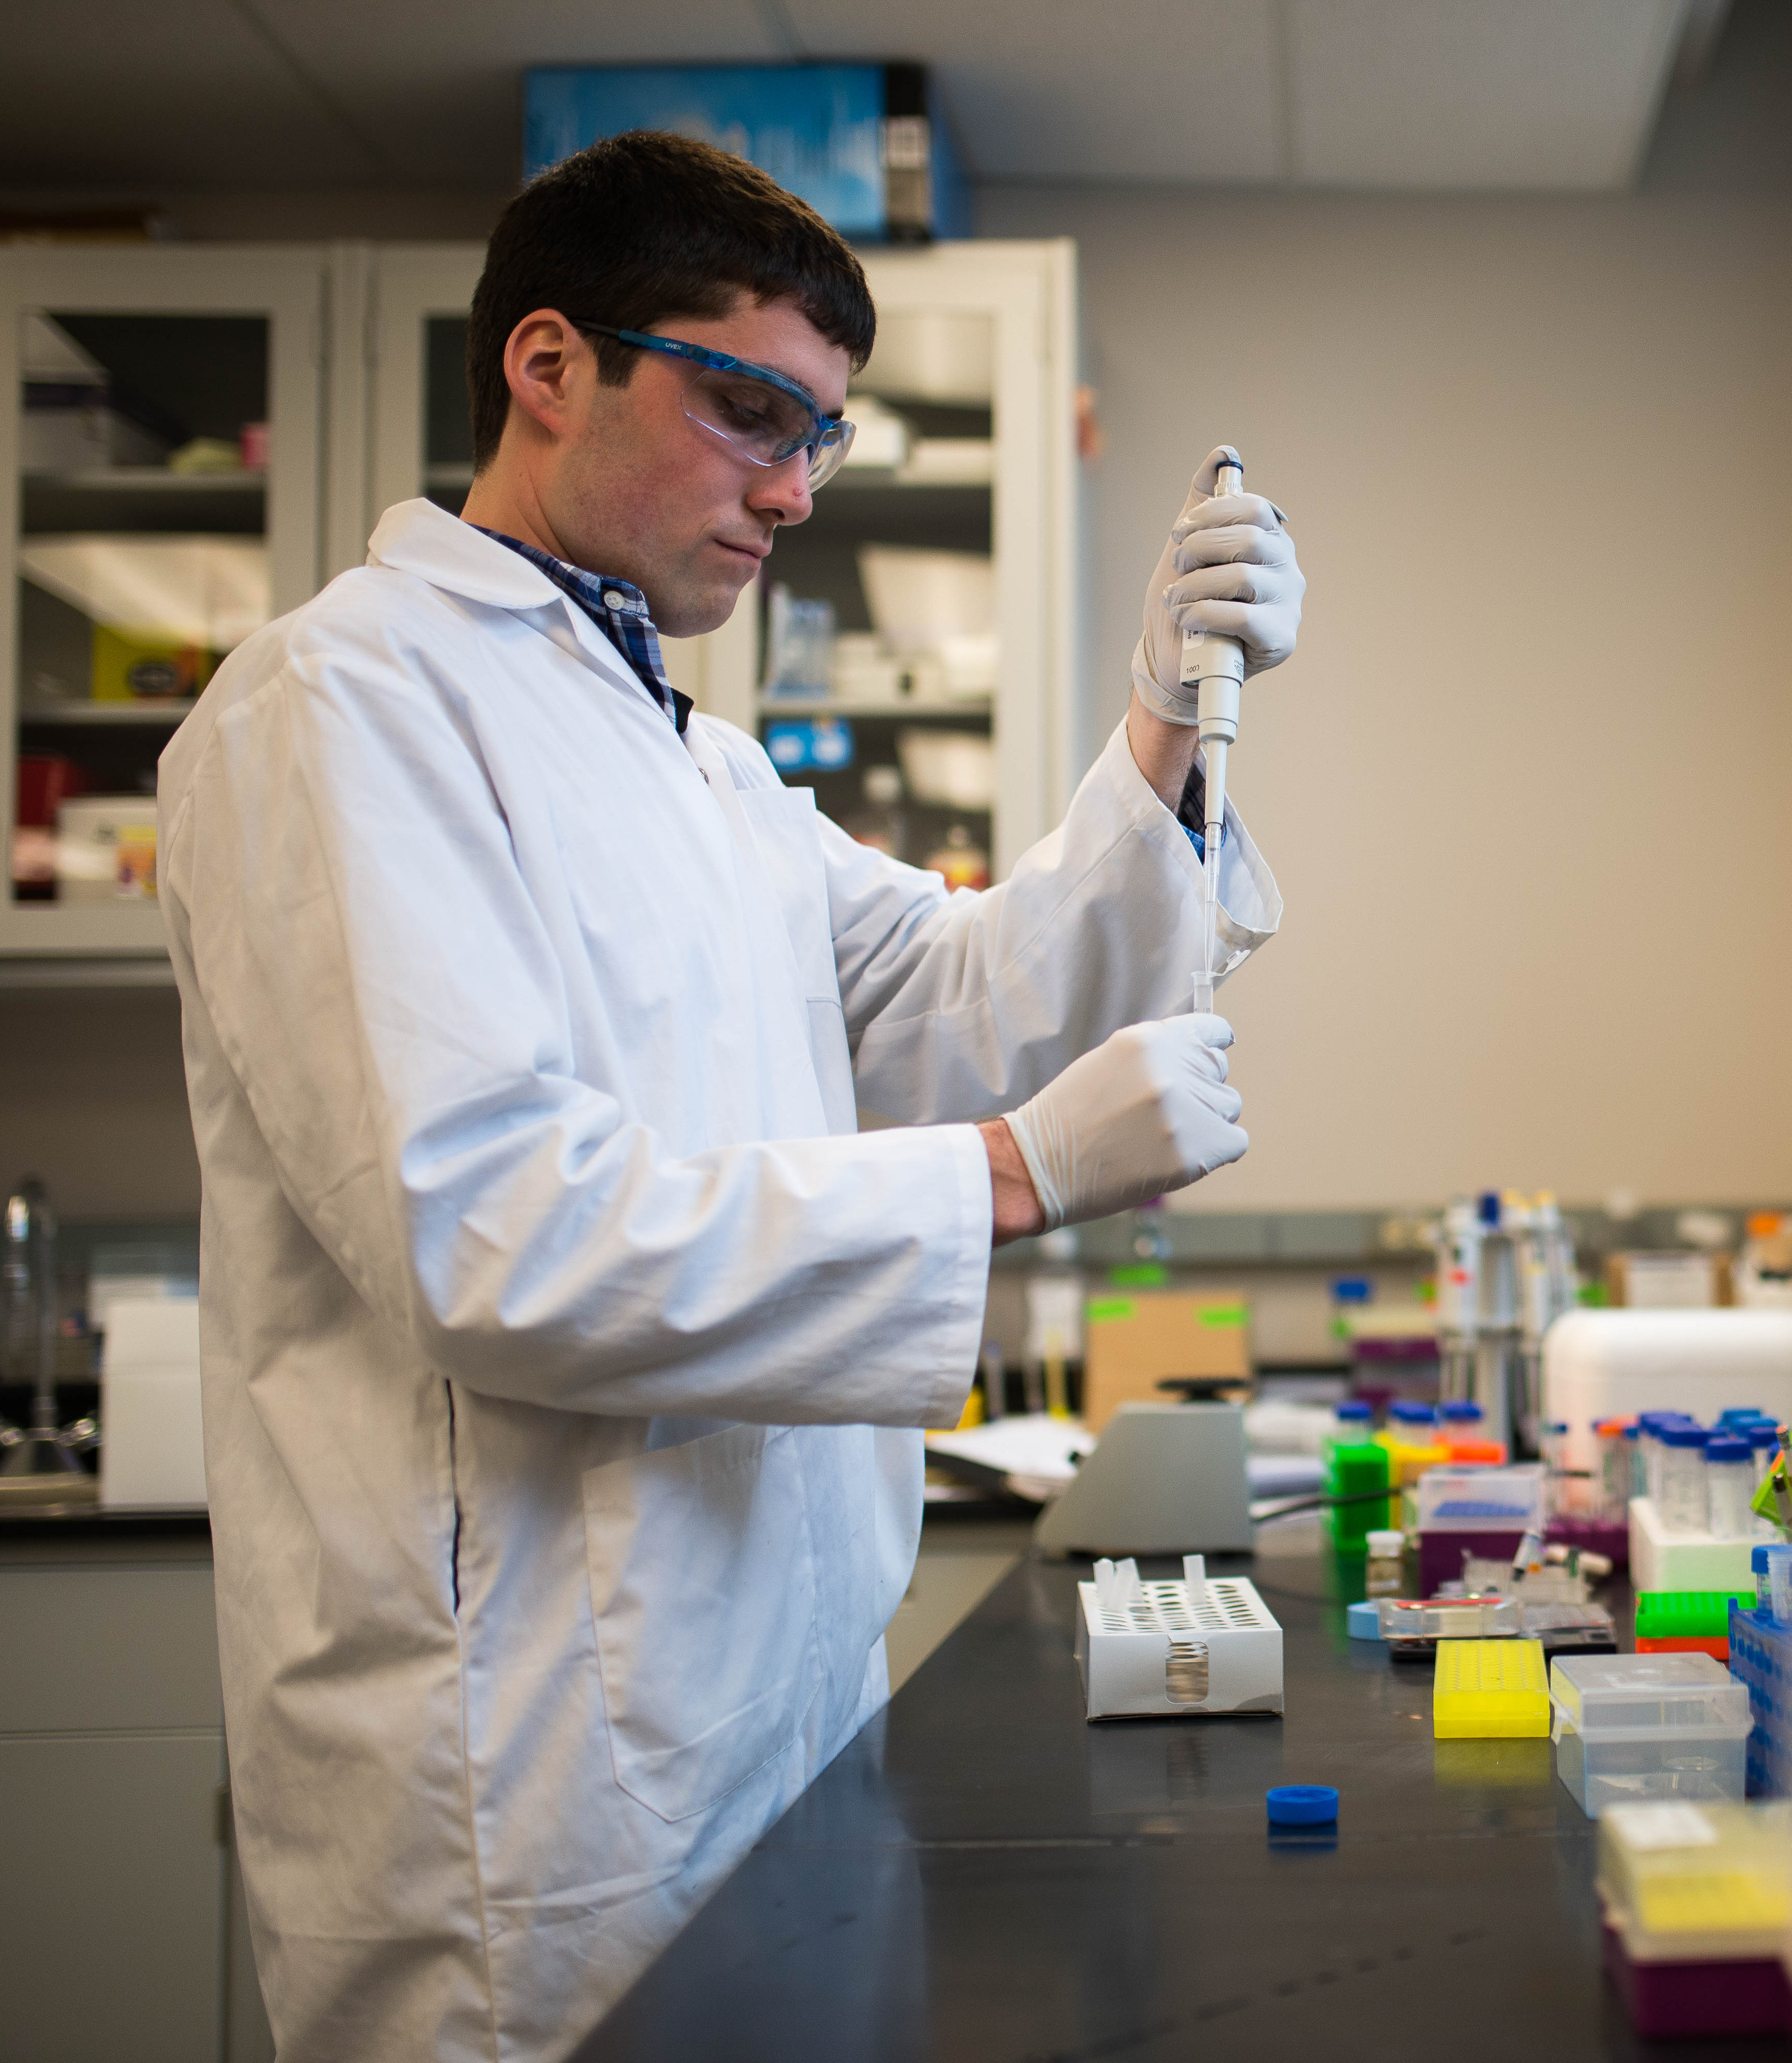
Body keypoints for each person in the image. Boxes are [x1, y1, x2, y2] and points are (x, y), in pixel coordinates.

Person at [155, 131, 1304, 2063]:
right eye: (749, 411)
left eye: (823, 437)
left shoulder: (702, 765)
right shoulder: (340, 705)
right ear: (548, 367)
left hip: (780, 1703)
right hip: (528, 1777)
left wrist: (1168, 719)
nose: (790, 489)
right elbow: (492, 1234)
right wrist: (1014, 1179)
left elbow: (966, 990)